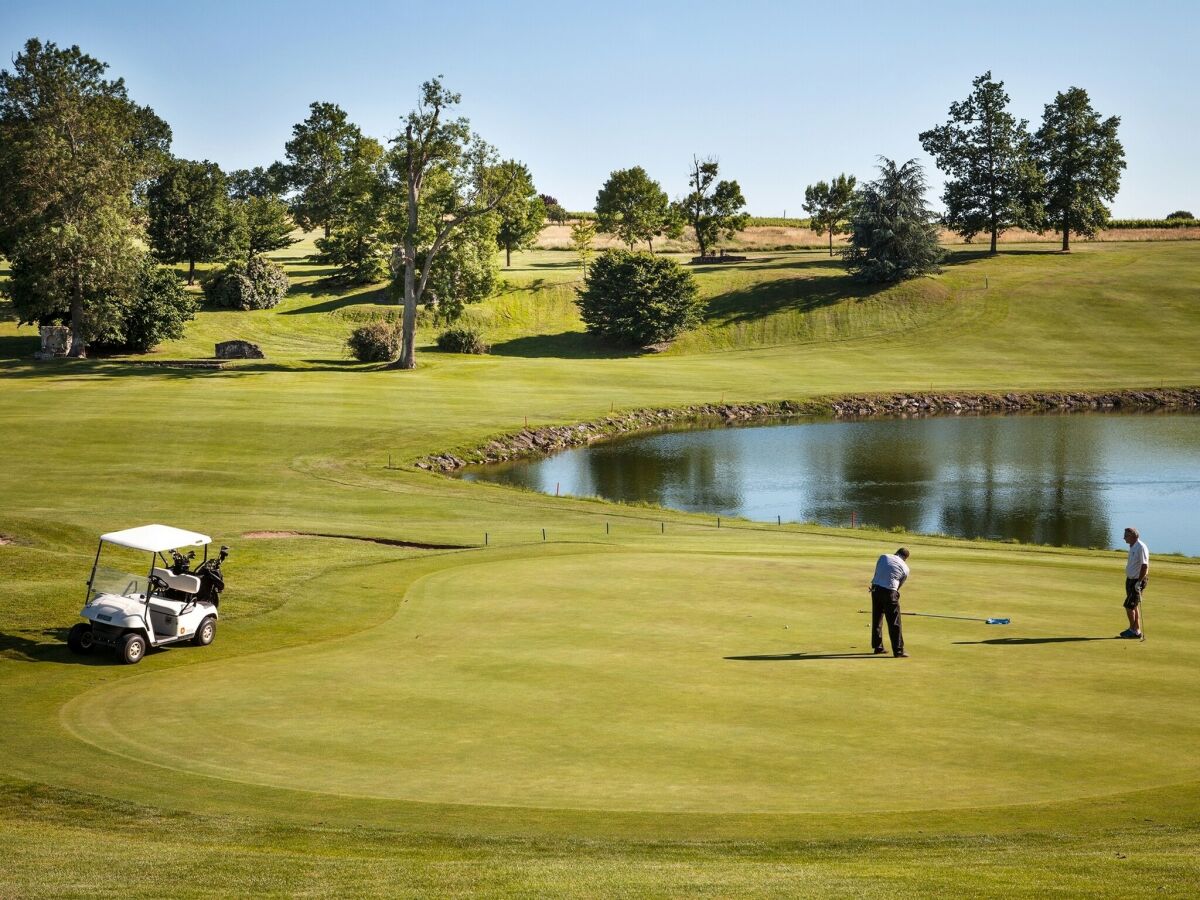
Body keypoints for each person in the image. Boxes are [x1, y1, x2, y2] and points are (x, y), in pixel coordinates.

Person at [870, 548, 910, 657]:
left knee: (877, 618)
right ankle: (898, 651)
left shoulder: (884, 556)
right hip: (890, 592)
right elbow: (898, 586)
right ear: (905, 558)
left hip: (875, 589)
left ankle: (878, 647)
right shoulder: (905, 568)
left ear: (896, 552)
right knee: (894, 622)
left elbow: (877, 572)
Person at [1120, 527, 1149, 641]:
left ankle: (1133, 630)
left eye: (1126, 536)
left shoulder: (1141, 547)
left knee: (1128, 605)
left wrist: (1139, 582)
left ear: (1133, 536)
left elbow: (1144, 566)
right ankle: (1136, 630)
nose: (1124, 538)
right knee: (1134, 605)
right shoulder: (1132, 546)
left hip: (1137, 580)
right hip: (1130, 580)